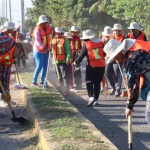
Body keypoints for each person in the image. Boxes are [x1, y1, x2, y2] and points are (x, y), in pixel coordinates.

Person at [104, 39, 150, 128]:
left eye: (115, 57)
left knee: (149, 115)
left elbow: (133, 83)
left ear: (119, 52)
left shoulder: (132, 57)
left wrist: (129, 105)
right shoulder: (136, 49)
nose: (115, 60)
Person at [73, 30, 105, 106]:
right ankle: (96, 99)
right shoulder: (101, 43)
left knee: (88, 81)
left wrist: (76, 62)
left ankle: (91, 97)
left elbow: (81, 56)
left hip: (92, 65)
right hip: (101, 65)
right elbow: (104, 53)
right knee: (97, 83)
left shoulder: (86, 44)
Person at [31, 15, 53, 87]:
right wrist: (45, 47)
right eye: (42, 23)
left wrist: (50, 47)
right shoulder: (37, 31)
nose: (44, 24)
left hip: (46, 50)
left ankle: (42, 81)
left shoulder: (49, 29)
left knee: (45, 66)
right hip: (38, 50)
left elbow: (51, 37)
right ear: (40, 24)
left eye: (45, 23)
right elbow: (37, 42)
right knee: (40, 65)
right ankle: (34, 82)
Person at [105, 24, 124, 97]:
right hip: (109, 57)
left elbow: (123, 49)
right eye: (116, 30)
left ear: (121, 31)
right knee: (107, 73)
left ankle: (117, 89)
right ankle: (113, 87)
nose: (117, 32)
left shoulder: (123, 39)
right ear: (113, 31)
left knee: (117, 73)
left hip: (118, 59)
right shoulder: (110, 38)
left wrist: (119, 58)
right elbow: (106, 47)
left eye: (118, 31)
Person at [52, 27, 71, 95]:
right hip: (56, 61)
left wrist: (68, 58)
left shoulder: (65, 40)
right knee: (58, 76)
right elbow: (52, 49)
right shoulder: (53, 40)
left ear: (61, 33)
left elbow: (68, 50)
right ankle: (60, 88)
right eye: (56, 32)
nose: (57, 34)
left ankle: (66, 89)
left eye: (58, 32)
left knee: (64, 76)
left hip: (63, 61)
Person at [101, 26, 112, 92]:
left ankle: (111, 87)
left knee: (109, 73)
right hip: (103, 57)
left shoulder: (112, 38)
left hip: (110, 57)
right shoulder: (102, 39)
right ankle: (102, 86)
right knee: (103, 73)